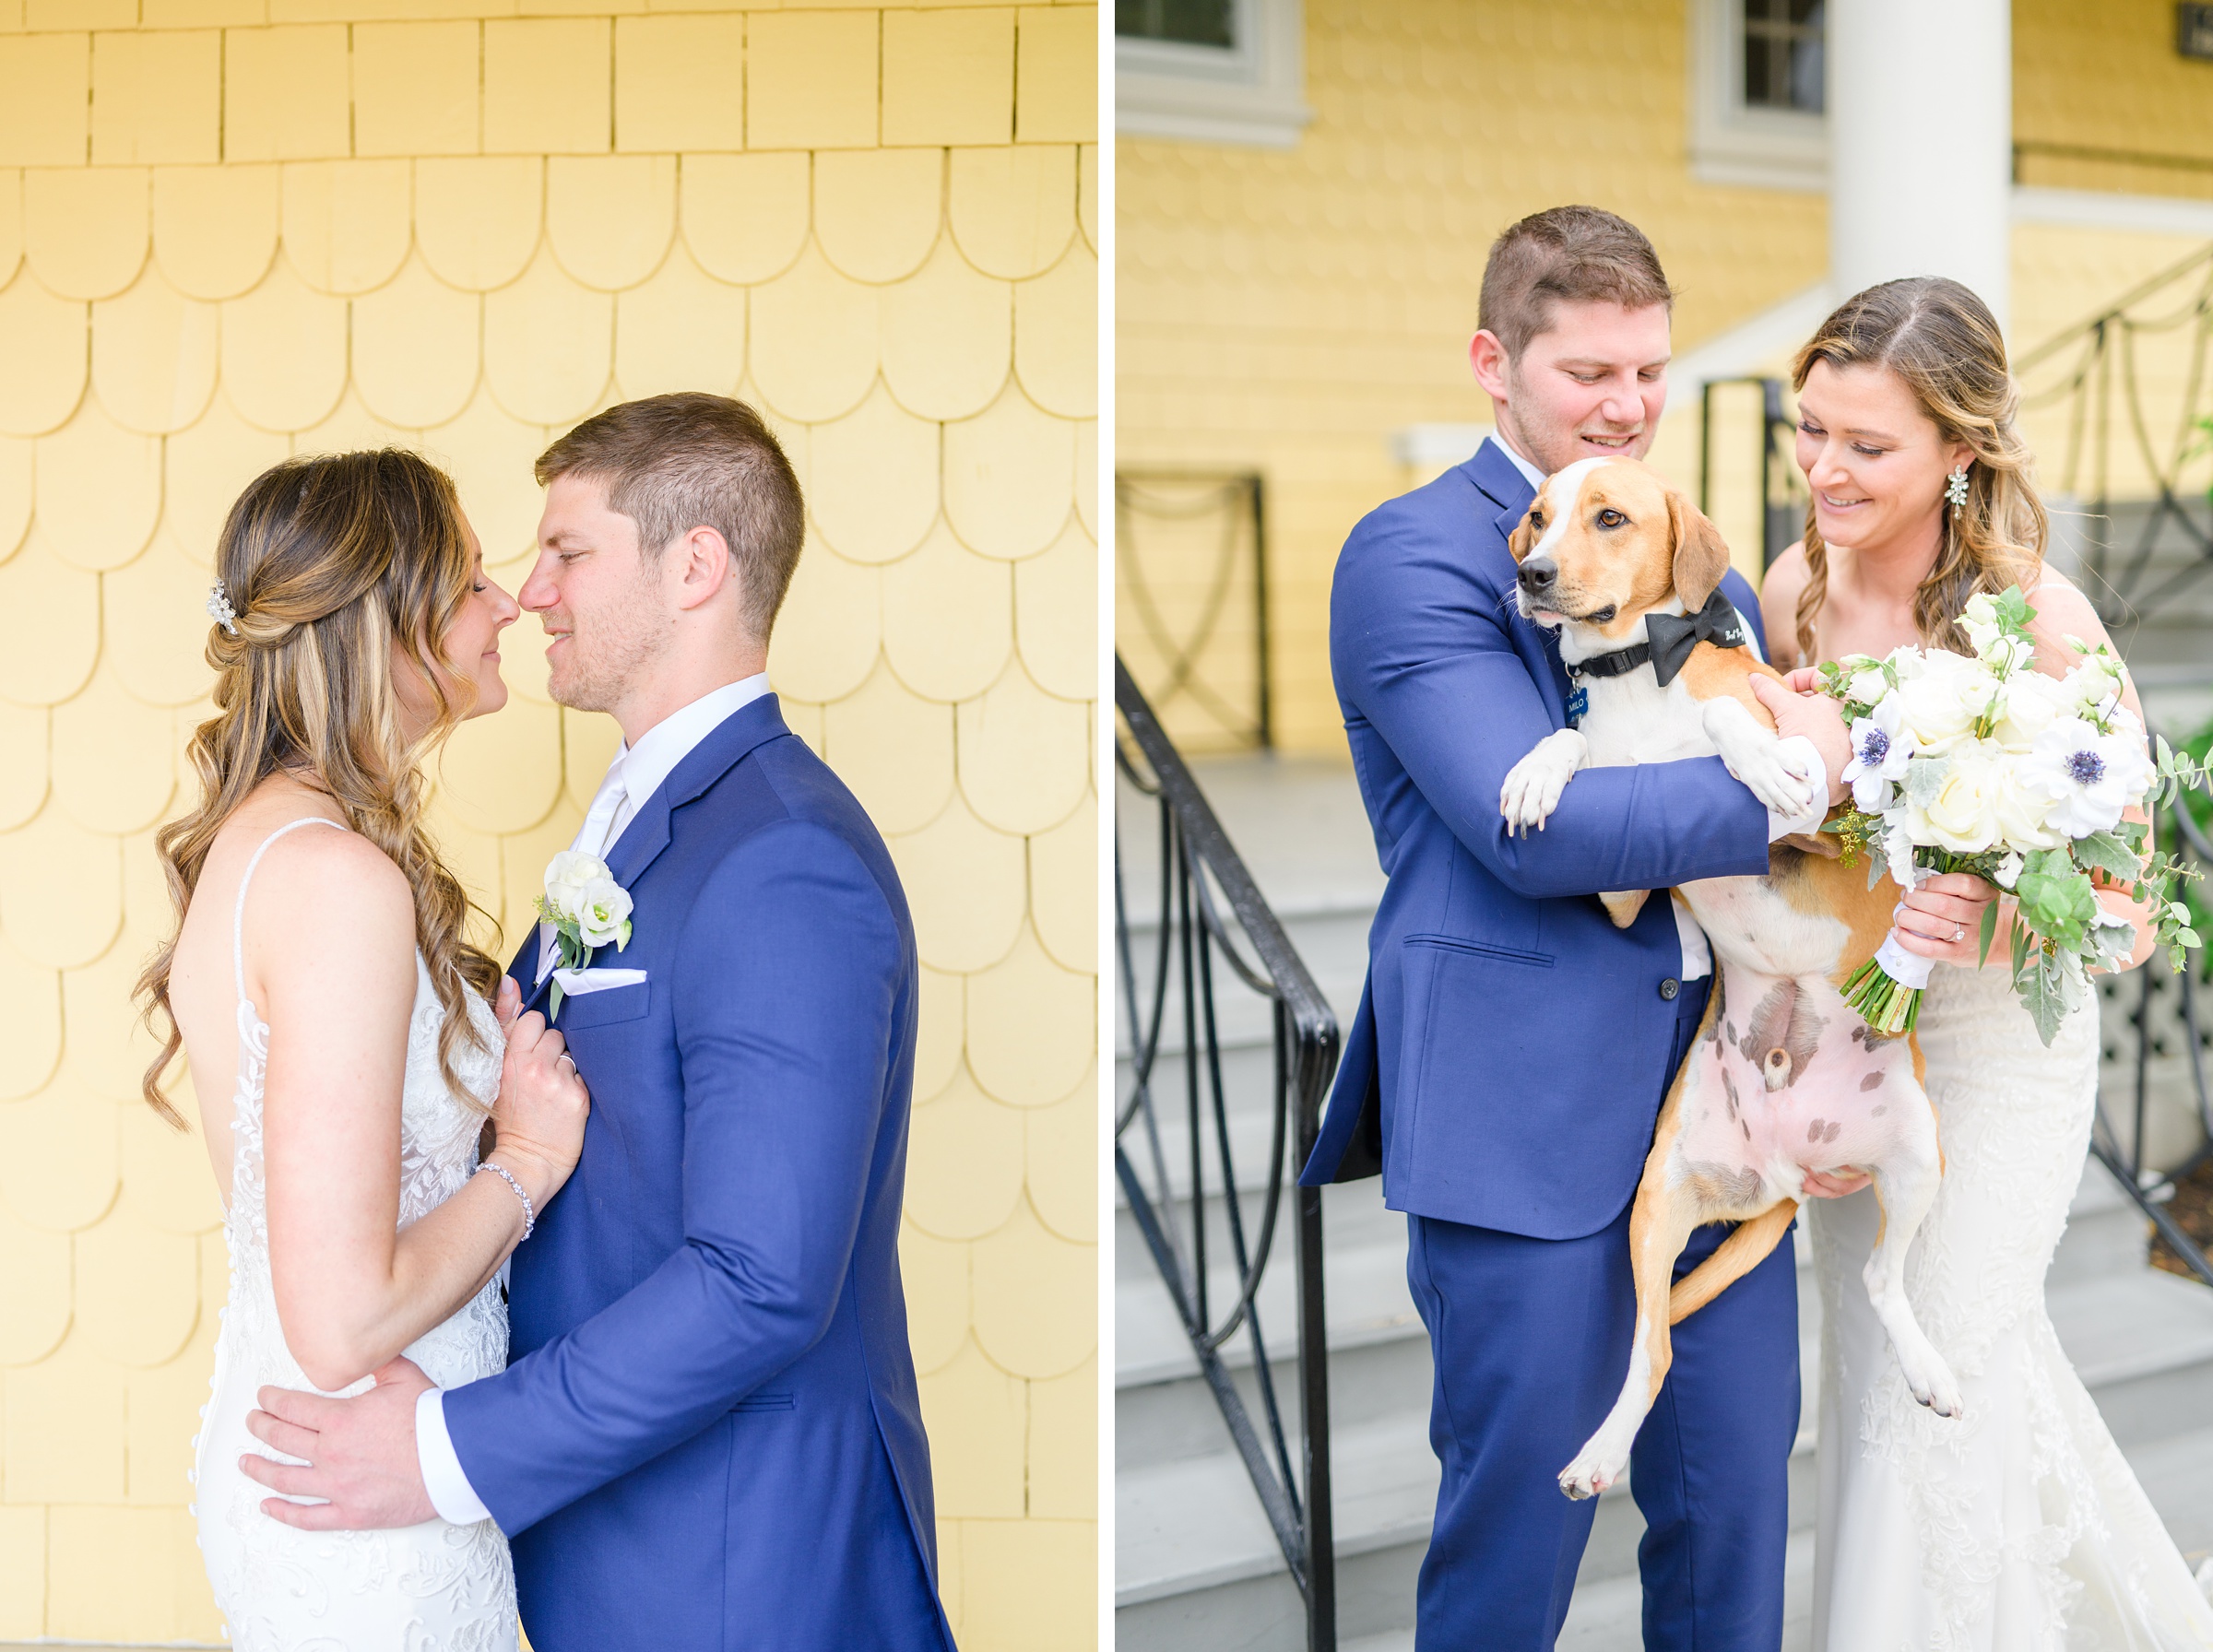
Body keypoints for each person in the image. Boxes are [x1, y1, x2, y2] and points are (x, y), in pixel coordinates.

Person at [231, 394, 957, 1652]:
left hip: (738, 1567)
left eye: (568, 552)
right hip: (616, 1542)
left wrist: (453, 1445)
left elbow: (761, 1281)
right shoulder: (645, 823)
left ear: (695, 566)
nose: (530, 590)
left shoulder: (783, 856)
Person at [1298, 204, 1889, 1649]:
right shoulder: (1411, 557)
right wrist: (1793, 787)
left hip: (1718, 1105)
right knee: (1515, 1552)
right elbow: (1543, 835)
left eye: (1652, 371)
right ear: (1495, 363)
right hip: (1523, 1114)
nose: (1626, 405)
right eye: (1589, 375)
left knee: (1735, 1527)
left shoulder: (1687, 543)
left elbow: (1777, 712)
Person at [1759, 276, 2213, 1648]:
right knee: (1879, 1385)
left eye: (1868, 445)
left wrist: (1992, 904)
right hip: (1854, 1046)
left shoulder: (2037, 616)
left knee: (1939, 1369)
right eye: (1810, 431)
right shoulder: (1790, 595)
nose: (1825, 470)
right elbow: (1788, 869)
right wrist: (1807, 1083)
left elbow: (2135, 903)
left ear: (1961, 451)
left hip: (2001, 1064)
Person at [140, 447, 590, 1648]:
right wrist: (528, 1163)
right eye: (473, 582)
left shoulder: (269, 848)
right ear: (383, 633)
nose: (509, 608)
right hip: (364, 1490)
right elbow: (339, 1316)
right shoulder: (334, 879)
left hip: (337, 1463)